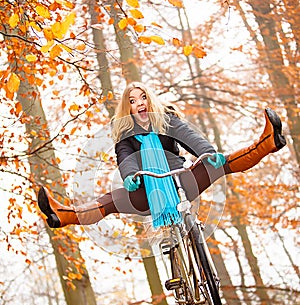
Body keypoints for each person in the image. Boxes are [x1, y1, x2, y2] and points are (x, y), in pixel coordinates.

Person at [37, 82, 286, 229]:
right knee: (109, 200)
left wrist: (208, 153)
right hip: (146, 192)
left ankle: (267, 143)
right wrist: (130, 175)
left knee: (222, 163)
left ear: (150, 100)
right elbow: (126, 157)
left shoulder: (167, 121)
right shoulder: (125, 135)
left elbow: (189, 136)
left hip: (180, 181)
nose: (139, 103)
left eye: (143, 97)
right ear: (129, 109)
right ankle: (63, 215)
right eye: (133, 101)